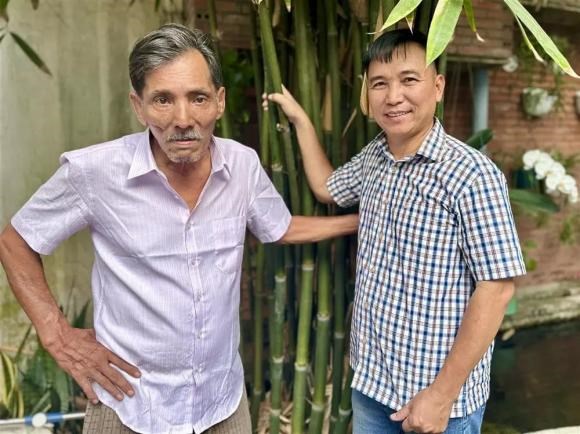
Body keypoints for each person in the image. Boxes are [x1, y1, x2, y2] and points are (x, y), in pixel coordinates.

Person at [0, 24, 359, 434]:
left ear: (219, 101)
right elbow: (16, 241)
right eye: (163, 100)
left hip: (222, 404)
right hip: (130, 405)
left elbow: (280, 227)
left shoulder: (242, 165)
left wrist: (359, 221)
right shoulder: (95, 172)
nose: (183, 119)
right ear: (138, 106)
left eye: (198, 98)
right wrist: (57, 334)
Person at [266, 29, 526, 433]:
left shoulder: (472, 174)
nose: (393, 96)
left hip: (439, 402)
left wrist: (440, 396)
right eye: (379, 84)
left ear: (437, 86)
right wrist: (300, 119)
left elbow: (497, 289)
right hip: (373, 385)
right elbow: (326, 187)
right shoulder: (375, 156)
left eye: (409, 79)